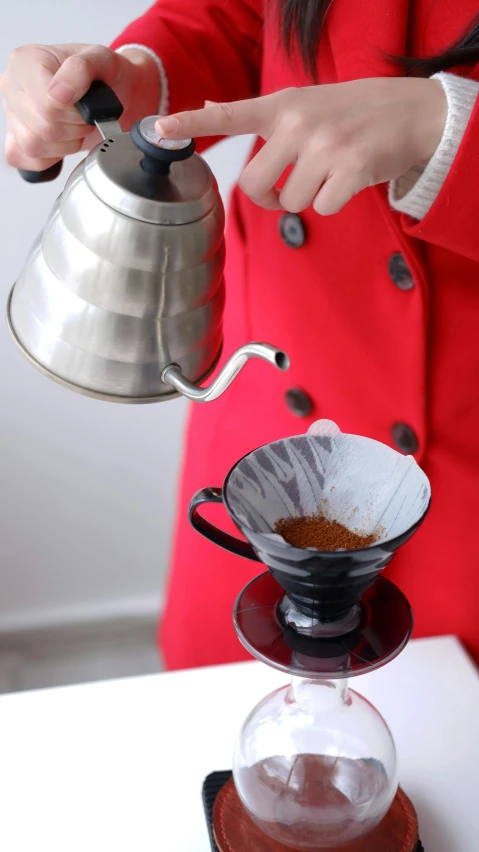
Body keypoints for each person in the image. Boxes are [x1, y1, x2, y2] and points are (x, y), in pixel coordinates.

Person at [2, 2, 479, 670]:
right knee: (223, 719)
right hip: (278, 406)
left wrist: (452, 129)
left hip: (461, 460)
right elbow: (234, 15)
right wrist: (146, 76)